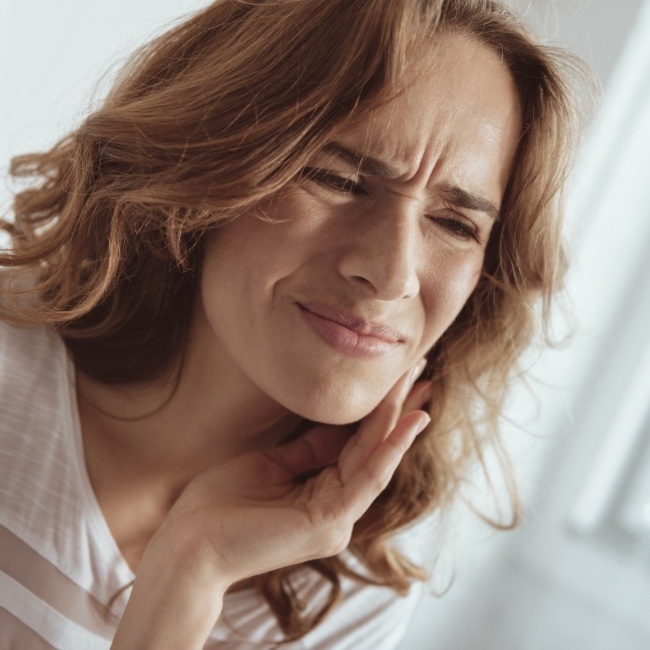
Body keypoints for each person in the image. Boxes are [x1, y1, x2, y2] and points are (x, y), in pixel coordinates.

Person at [0, 0, 593, 647]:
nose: (392, 274)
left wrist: (191, 570)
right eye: (338, 178)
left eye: (456, 224)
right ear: (207, 159)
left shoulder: (347, 603)